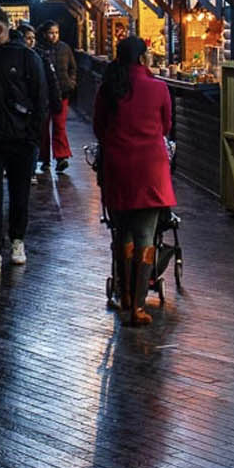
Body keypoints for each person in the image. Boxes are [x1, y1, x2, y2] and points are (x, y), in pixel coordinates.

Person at [92, 35, 176, 326]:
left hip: (117, 170)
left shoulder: (108, 89)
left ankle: (124, 294)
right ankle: (139, 307)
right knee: (145, 235)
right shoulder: (159, 88)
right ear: (142, 59)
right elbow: (165, 128)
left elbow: (99, 129)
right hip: (150, 171)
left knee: (122, 233)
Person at [0, 6, 50, 274]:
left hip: (20, 139)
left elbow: (41, 100)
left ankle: (17, 240)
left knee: (19, 192)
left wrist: (31, 136)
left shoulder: (29, 58)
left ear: (0, 29)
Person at [18, 24, 63, 180]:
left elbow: (52, 80)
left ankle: (30, 170)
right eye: (28, 38)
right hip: (23, 104)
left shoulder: (41, 56)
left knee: (34, 137)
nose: (31, 41)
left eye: (33, 38)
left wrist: (55, 100)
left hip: (38, 103)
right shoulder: (18, 57)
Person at [38, 20, 79, 172]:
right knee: (43, 127)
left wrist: (71, 83)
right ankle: (44, 159)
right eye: (51, 33)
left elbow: (72, 67)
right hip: (45, 95)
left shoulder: (65, 48)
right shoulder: (40, 50)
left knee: (59, 125)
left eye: (56, 33)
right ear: (44, 34)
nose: (54, 36)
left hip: (63, 92)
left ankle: (61, 157)